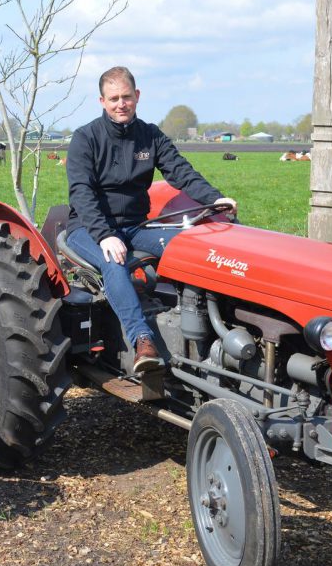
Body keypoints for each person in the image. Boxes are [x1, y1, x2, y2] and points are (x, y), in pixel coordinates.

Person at [65, 67, 237, 372]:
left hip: (135, 225)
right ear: (102, 101)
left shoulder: (150, 135)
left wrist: (214, 199)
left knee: (186, 247)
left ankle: (217, 325)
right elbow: (81, 194)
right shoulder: (85, 138)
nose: (121, 104)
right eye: (114, 98)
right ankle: (142, 341)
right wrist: (105, 234)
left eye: (127, 97)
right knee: (113, 261)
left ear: (137, 96)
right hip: (89, 228)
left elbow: (180, 171)